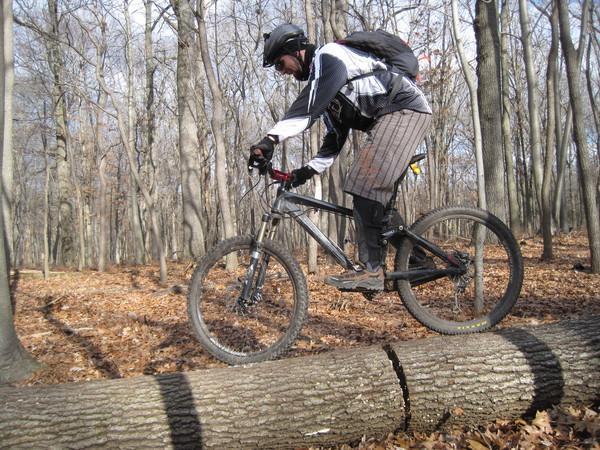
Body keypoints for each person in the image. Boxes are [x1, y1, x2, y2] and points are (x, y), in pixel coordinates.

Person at [249, 24, 432, 291]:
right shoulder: (329, 88)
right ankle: (418, 261)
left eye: (279, 63)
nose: (282, 71)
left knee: (362, 184)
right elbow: (333, 141)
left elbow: (308, 107)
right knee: (377, 204)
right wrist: (301, 174)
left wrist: (271, 139)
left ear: (294, 51)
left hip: (405, 110)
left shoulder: (329, 56)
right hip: (395, 117)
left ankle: (371, 272)